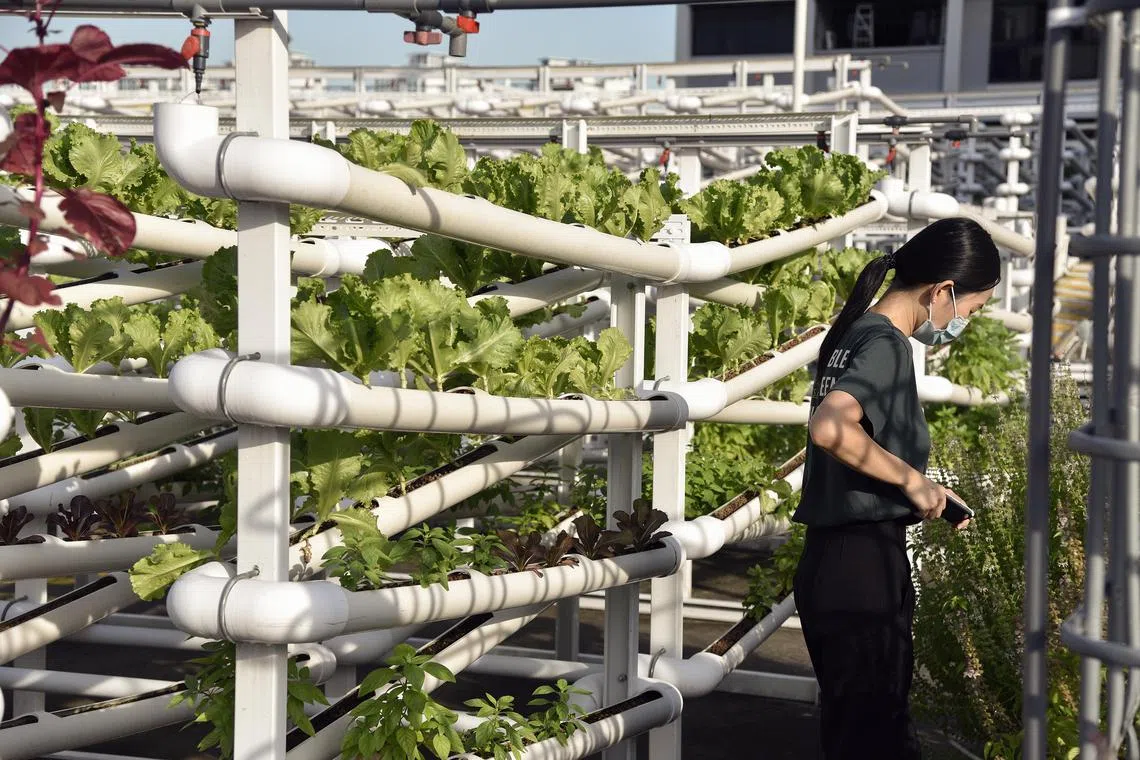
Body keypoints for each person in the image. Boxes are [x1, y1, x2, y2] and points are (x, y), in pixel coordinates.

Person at [792, 217, 1001, 759]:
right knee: (876, 737)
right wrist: (914, 482)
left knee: (853, 732)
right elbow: (831, 428)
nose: (963, 324)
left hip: (831, 561)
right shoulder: (886, 345)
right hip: (862, 569)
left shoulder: (854, 331)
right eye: (971, 311)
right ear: (943, 291)